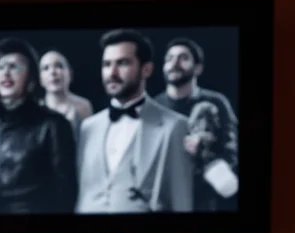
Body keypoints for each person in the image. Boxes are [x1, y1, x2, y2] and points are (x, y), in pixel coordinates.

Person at [76, 29, 193, 214]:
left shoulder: (175, 126)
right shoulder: (88, 127)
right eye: (107, 64)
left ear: (146, 69)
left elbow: (182, 202)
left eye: (122, 63)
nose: (112, 72)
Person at [0, 38, 78, 214]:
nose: (6, 73)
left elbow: (65, 193)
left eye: (14, 66)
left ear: (32, 76)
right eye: (0, 67)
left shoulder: (53, 125)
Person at [154, 37, 239, 212]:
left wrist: (205, 152)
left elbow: (232, 152)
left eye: (183, 58)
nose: (174, 63)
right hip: (163, 203)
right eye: (169, 59)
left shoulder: (216, 102)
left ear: (198, 68)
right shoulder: (154, 106)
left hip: (204, 204)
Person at [39, 49, 93, 140]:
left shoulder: (83, 106)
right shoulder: (37, 109)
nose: (53, 72)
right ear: (40, 79)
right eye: (46, 68)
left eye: (59, 66)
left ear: (70, 73)